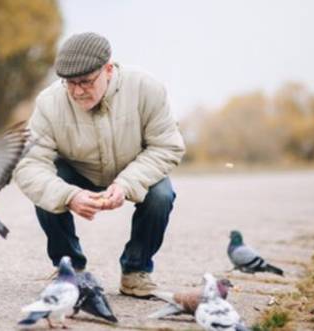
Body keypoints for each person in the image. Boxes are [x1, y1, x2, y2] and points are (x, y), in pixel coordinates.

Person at [13, 32, 185, 298]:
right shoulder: (49, 103)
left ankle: (136, 271)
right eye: (70, 83)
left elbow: (167, 146)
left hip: (134, 168)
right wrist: (68, 195)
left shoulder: (147, 88)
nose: (78, 91)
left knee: (162, 194)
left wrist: (126, 184)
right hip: (77, 171)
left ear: (108, 69)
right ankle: (69, 269)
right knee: (46, 186)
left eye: (86, 81)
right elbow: (28, 165)